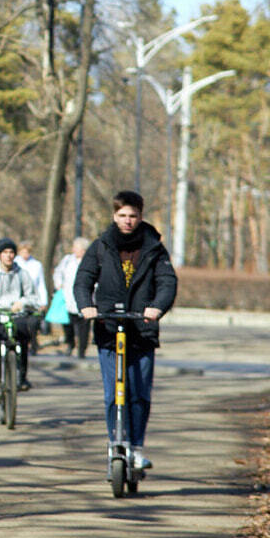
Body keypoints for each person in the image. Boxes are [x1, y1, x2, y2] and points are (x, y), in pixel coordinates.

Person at [73, 191, 177, 471]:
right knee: (114, 393)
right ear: (114, 216)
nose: (127, 221)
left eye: (133, 216)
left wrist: (156, 308)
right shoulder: (101, 246)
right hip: (109, 329)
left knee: (139, 394)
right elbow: (83, 280)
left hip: (142, 330)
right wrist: (86, 306)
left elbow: (167, 282)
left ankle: (137, 447)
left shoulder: (153, 247)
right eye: (122, 216)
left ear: (140, 216)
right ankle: (116, 443)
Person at [0, 237, 42, 407]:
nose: (9, 255)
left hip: (17, 316)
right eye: (5, 252)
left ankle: (22, 377)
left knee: (24, 338)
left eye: (12, 252)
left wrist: (23, 303)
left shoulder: (22, 274)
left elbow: (33, 297)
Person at [53, 236, 92, 358]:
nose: (74, 250)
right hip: (68, 297)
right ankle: (70, 344)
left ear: (83, 250)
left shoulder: (90, 261)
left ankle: (82, 350)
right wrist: (58, 284)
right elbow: (58, 272)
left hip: (85, 299)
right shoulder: (67, 260)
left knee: (84, 327)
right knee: (67, 324)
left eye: (76, 248)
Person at [13, 241, 48, 354]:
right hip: (18, 299)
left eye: (27, 252)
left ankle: (33, 344)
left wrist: (43, 301)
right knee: (20, 323)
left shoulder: (36, 265)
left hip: (33, 299)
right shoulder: (14, 263)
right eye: (23, 252)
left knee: (33, 323)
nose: (25, 254)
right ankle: (21, 344)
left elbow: (41, 284)